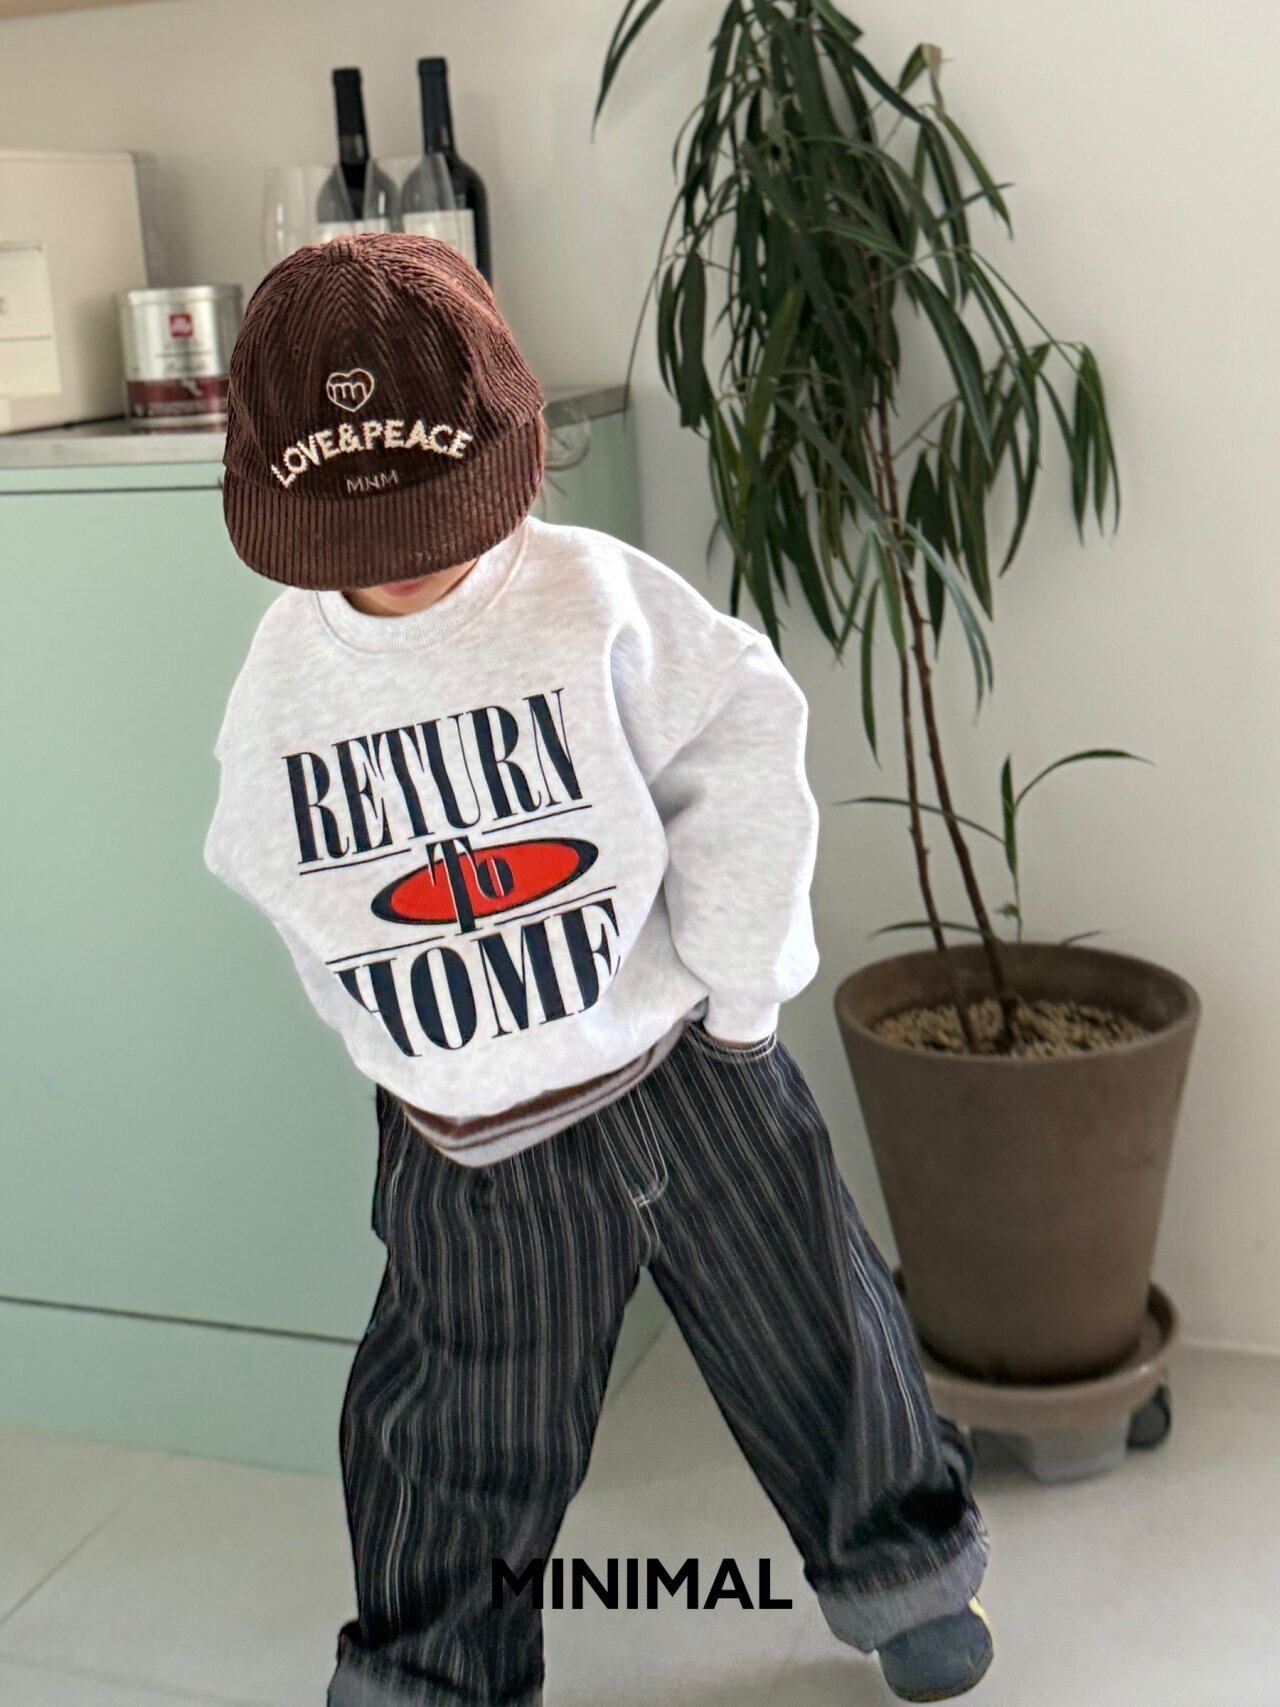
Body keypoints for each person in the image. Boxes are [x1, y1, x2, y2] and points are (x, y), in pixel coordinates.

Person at [203, 232, 991, 1707]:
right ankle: (432, 1671)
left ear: (514, 452)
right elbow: (268, 859)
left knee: (815, 1323)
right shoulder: (285, 674)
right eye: (356, 536)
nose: (407, 562)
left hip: (688, 1064)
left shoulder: (595, 597)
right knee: (454, 1422)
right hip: (469, 1132)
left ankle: (905, 1567)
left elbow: (739, 754)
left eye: (434, 513)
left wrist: (741, 995)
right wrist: (401, 1045)